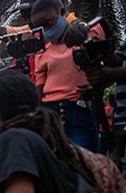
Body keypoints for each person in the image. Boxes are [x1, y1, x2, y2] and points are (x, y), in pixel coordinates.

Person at [31, 0, 104, 152]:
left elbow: (108, 69)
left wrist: (95, 88)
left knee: (83, 163)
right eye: (40, 27)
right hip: (51, 118)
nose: (46, 30)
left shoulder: (88, 33)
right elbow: (39, 87)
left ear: (62, 13)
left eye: (49, 23)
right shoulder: (42, 49)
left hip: (79, 114)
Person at [84, 38, 126, 177]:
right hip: (120, 119)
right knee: (120, 171)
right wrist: (103, 51)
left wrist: (110, 74)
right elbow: (117, 63)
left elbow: (115, 72)